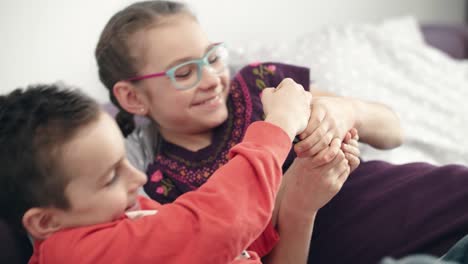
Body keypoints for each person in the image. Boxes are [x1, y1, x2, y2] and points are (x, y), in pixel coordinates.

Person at [95, 1, 468, 263]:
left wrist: (343, 110)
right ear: (132, 97)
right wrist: (294, 202)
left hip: (414, 198)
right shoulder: (160, 184)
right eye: (184, 72)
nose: (210, 79)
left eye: (211, 58)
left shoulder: (259, 85)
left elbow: (393, 131)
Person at [0, 82, 317, 263]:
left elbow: (229, 237)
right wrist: (280, 124)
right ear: (46, 221)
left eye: (124, 160)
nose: (137, 179)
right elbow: (214, 226)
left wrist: (301, 192)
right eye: (110, 177)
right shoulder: (73, 254)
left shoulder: (128, 217)